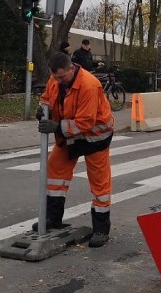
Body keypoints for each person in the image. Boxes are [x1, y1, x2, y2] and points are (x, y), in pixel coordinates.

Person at [35, 52, 114, 247]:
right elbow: (47, 98)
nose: (59, 81)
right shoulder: (55, 80)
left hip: (95, 138)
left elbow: (86, 122)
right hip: (70, 135)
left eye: (62, 77)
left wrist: (57, 127)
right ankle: (53, 218)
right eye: (55, 77)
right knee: (54, 170)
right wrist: (43, 110)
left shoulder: (89, 84)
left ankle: (101, 229)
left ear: (71, 68)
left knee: (99, 184)